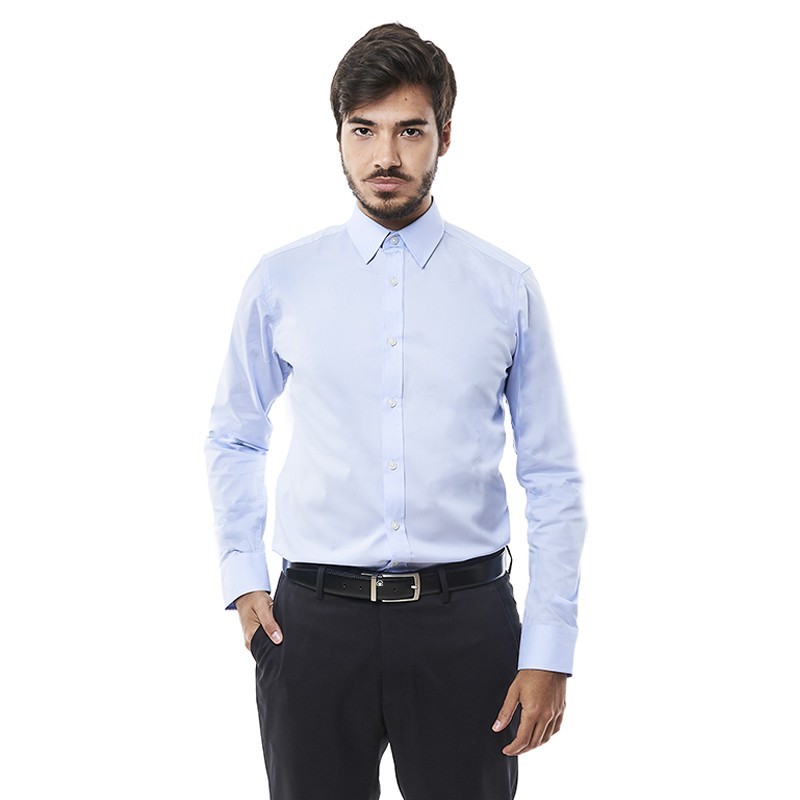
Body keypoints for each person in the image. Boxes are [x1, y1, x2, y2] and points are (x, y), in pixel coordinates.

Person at [205, 22, 587, 800]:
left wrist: (549, 648)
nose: (386, 155)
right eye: (364, 130)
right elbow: (234, 435)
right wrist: (244, 581)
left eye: (410, 130)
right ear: (339, 137)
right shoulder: (281, 281)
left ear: (445, 135)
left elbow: (551, 473)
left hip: (467, 626)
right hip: (311, 627)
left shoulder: (505, 288)